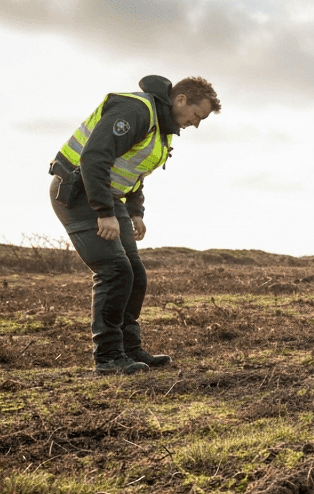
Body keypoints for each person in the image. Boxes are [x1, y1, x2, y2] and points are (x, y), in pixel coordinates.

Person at [48, 75, 220, 375]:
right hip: (77, 191)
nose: (196, 123)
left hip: (109, 196)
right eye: (197, 115)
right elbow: (94, 157)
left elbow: (132, 170)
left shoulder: (162, 128)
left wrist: (135, 212)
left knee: (135, 274)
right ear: (180, 100)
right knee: (115, 271)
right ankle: (108, 357)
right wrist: (104, 212)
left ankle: (129, 348)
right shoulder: (136, 111)